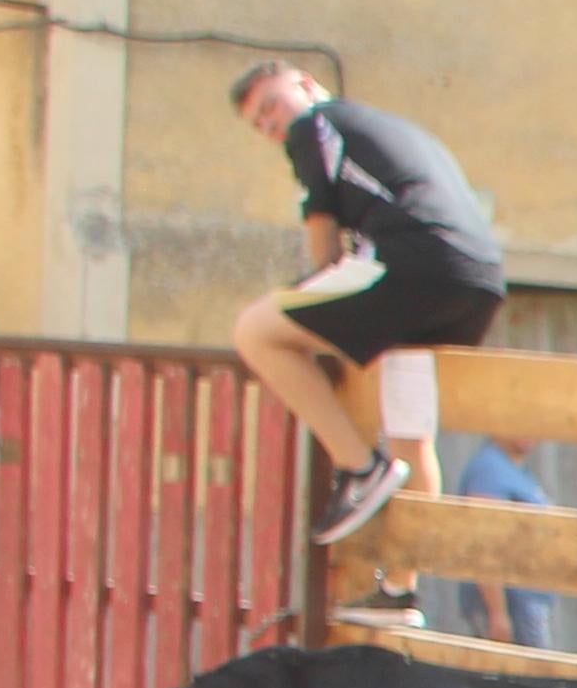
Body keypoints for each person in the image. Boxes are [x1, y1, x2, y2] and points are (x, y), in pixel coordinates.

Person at [222, 62, 507, 546]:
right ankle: (401, 588)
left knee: (254, 330)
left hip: (412, 265)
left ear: (308, 83)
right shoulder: (395, 129)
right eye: (261, 125)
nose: (272, 126)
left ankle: (358, 467)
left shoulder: (315, 124)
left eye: (272, 105)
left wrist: (310, 304)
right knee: (409, 431)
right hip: (478, 281)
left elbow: (324, 243)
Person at [437, 436, 557, 650]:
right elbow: (485, 542)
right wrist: (497, 613)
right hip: (512, 604)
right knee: (522, 681)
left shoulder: (517, 470)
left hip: (527, 603)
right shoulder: (489, 468)